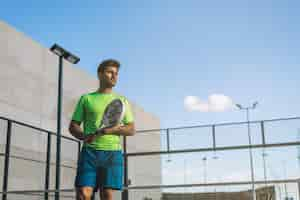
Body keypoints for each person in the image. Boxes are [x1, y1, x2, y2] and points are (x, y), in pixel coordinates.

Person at [69, 59, 135, 200]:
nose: (114, 76)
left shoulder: (122, 100)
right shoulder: (86, 99)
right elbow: (73, 126)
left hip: (112, 154)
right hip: (89, 152)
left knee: (107, 195)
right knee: (83, 194)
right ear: (99, 74)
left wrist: (110, 130)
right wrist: (83, 136)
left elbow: (131, 129)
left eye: (116, 73)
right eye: (110, 72)